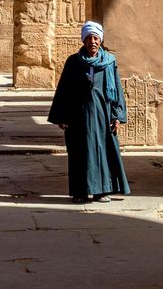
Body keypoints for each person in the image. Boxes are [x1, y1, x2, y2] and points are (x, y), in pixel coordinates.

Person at [48, 20, 131, 204]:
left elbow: (116, 89)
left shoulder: (109, 61)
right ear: (83, 40)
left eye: (95, 38)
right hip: (79, 117)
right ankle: (80, 192)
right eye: (88, 38)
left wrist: (116, 116)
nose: (92, 42)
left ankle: (102, 191)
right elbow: (64, 90)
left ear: (100, 40)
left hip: (103, 115)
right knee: (80, 153)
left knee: (103, 152)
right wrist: (62, 116)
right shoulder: (73, 62)